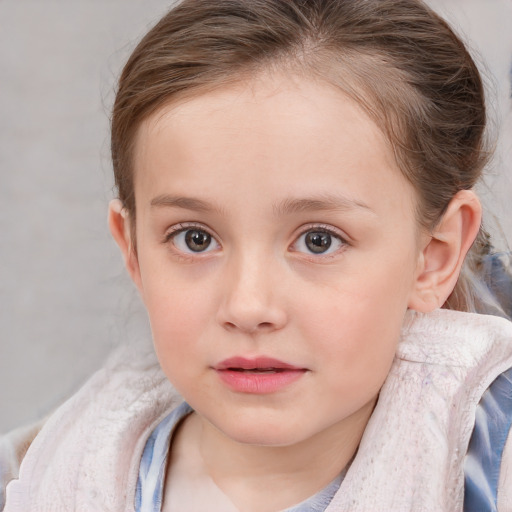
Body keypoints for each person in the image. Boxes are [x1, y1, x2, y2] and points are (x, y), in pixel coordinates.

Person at [2, 0, 512, 510]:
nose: (248, 307)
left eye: (319, 240)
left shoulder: (488, 478)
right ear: (132, 249)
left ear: (435, 255)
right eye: (195, 238)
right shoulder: (47, 472)